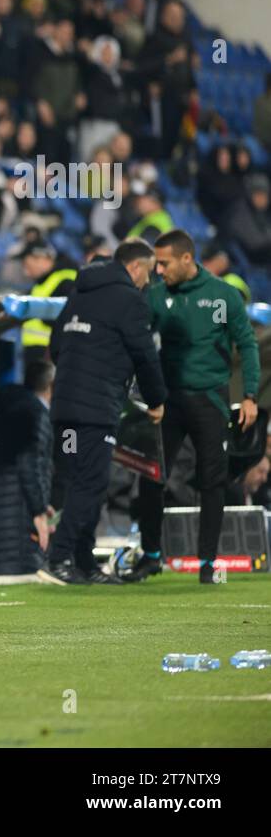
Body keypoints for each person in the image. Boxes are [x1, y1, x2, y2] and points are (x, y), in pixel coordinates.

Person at [133, 230, 261, 585]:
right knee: (151, 475)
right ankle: (151, 555)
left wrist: (249, 395)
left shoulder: (222, 295)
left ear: (187, 259)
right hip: (168, 402)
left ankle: (208, 562)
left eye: (164, 262)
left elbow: (247, 345)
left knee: (212, 482)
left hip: (211, 400)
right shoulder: (157, 297)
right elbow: (139, 341)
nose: (158, 270)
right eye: (155, 263)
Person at [47, 240, 167, 584]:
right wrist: (156, 400)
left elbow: (56, 345)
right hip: (96, 409)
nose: (150, 280)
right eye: (149, 271)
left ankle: (84, 561)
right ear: (136, 268)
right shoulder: (129, 299)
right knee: (94, 481)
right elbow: (145, 354)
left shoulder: (79, 291)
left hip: (66, 408)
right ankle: (58, 558)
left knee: (75, 480)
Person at [0, 360, 56, 577]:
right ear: (52, 385)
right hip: (18, 525)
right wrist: (38, 510)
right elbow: (30, 463)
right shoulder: (35, 414)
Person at [16, 238, 79, 368]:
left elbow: (63, 317)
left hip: (51, 355)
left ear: (41, 258)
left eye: (27, 261)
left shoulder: (66, 279)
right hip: (37, 355)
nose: (24, 268)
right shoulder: (42, 282)